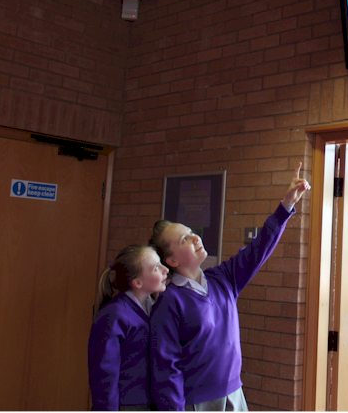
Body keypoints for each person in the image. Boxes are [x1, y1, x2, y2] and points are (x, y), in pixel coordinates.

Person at [149, 162, 310, 411]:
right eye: (184, 239)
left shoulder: (222, 279)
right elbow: (165, 367)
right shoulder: (170, 300)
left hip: (234, 393)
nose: (195, 237)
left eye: (192, 232)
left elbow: (259, 249)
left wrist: (286, 205)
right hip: (196, 402)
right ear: (171, 261)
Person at [88, 245, 170, 410]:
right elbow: (104, 374)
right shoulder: (114, 315)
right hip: (127, 405)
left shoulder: (154, 307)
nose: (165, 269)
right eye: (156, 268)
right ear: (138, 282)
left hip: (152, 402)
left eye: (161, 263)